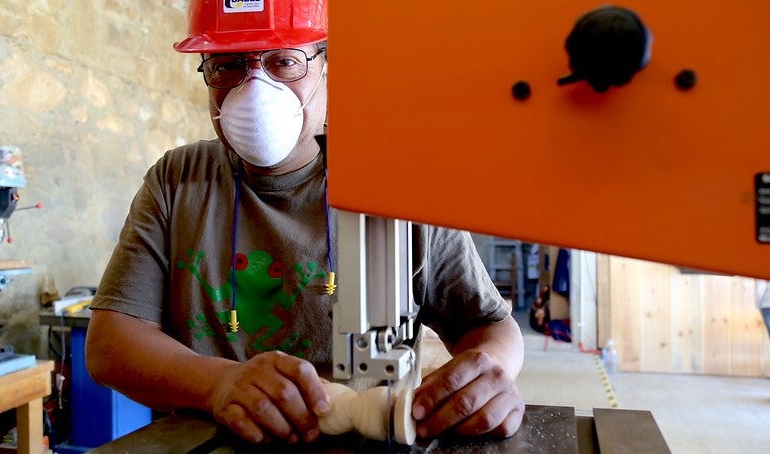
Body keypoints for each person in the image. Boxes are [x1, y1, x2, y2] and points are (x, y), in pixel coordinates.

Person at [85, 0, 525, 445]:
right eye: (228, 64)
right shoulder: (180, 180)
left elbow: (489, 325)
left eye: (284, 62)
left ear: (327, 69)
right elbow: (110, 345)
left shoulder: (392, 185)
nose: (255, 88)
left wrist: (487, 377)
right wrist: (219, 382)